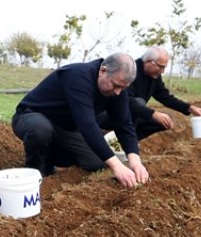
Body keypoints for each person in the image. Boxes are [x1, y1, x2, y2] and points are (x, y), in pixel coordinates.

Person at [12, 53, 149, 188]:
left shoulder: (118, 91)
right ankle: (33, 171)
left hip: (64, 127)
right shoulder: (78, 76)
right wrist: (117, 165)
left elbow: (124, 124)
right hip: (31, 116)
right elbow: (87, 125)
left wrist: (135, 160)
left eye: (123, 88)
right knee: (40, 130)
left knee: (96, 162)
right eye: (115, 85)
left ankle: (48, 158)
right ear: (103, 70)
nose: (118, 92)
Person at [97, 46, 201, 139]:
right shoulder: (130, 71)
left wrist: (189, 108)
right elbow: (126, 101)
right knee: (140, 103)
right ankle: (118, 138)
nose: (162, 71)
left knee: (164, 121)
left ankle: (126, 142)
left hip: (131, 115)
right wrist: (153, 114)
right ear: (149, 62)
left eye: (164, 67)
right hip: (109, 115)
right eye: (161, 67)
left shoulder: (154, 77)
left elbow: (164, 96)